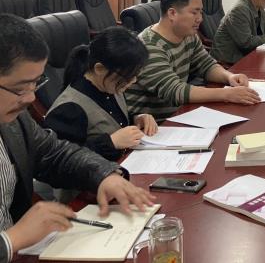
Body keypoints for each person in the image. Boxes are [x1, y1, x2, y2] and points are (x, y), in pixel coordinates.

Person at [0, 14, 154, 263]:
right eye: (20, 88)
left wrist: (104, 174)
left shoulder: (13, 120)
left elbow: (54, 153)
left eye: (35, 84)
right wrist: (10, 240)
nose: (30, 98)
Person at [126, 0, 259, 122]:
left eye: (201, 12)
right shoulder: (149, 46)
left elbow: (206, 65)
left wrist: (229, 77)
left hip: (180, 115)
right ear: (172, 13)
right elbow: (175, 91)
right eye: (194, 12)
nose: (200, 18)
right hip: (153, 125)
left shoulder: (188, 35)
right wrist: (227, 94)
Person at [44, 27, 158, 161]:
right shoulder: (69, 108)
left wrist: (137, 118)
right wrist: (111, 142)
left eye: (135, 75)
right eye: (128, 77)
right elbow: (60, 159)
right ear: (99, 69)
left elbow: (112, 119)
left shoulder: (110, 85)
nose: (133, 81)